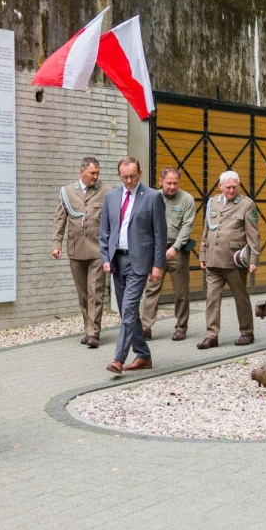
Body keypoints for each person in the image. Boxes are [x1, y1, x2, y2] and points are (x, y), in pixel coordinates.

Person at [100, 156, 166, 374]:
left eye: (132, 176)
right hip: (117, 260)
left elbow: (159, 234)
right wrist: (105, 258)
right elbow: (104, 232)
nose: (129, 180)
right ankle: (144, 355)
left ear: (140, 173)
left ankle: (118, 359)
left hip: (139, 261)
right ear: (119, 175)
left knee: (129, 308)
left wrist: (158, 265)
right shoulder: (110, 197)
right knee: (125, 311)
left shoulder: (153, 197)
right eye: (124, 177)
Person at [198, 170, 260, 348]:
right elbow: (207, 230)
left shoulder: (247, 205)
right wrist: (203, 254)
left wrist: (254, 259)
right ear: (220, 186)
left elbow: (253, 234)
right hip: (213, 261)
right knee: (211, 299)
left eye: (234, 187)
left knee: (240, 298)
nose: (231, 191)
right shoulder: (213, 202)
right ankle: (211, 335)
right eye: (228, 187)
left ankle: (247, 332)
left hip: (234, 261)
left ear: (239, 185)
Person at [52, 157, 107, 348]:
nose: (96, 176)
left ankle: (94, 333)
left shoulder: (106, 191)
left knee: (96, 292)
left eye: (97, 173)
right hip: (75, 250)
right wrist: (56, 244)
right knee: (83, 293)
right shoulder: (67, 192)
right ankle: (88, 329)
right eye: (92, 173)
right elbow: (60, 220)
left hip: (98, 250)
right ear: (82, 172)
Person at [140, 167, 197, 341]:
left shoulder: (187, 199)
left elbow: (187, 226)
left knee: (181, 292)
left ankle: (181, 327)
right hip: (156, 251)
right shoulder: (152, 197)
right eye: (168, 183)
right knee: (152, 289)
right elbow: (146, 225)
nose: (172, 186)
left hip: (177, 251)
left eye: (175, 183)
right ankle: (145, 327)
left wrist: (176, 247)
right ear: (161, 181)